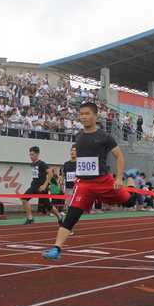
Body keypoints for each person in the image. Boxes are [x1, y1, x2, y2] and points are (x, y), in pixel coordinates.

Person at [42, 102, 136, 260]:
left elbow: (119, 156)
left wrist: (119, 178)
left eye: (87, 114)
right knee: (72, 215)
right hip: (84, 184)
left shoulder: (104, 137)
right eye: (81, 114)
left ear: (95, 115)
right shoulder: (78, 136)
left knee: (129, 202)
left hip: (104, 181)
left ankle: (131, 179)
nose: (83, 117)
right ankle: (57, 248)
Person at [20, 146, 53, 225]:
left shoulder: (42, 163)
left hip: (41, 188)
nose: (31, 157)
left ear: (37, 154)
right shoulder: (33, 164)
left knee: (48, 206)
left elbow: (51, 173)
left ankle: (59, 216)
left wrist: (45, 185)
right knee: (24, 199)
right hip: (34, 186)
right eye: (30, 155)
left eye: (32, 155)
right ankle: (30, 218)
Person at [62, 145, 77, 209]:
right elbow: (62, 175)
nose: (72, 152)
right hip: (68, 188)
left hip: (76, 188)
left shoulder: (79, 163)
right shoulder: (66, 164)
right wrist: (61, 186)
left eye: (74, 150)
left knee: (75, 206)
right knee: (68, 206)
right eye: (71, 150)